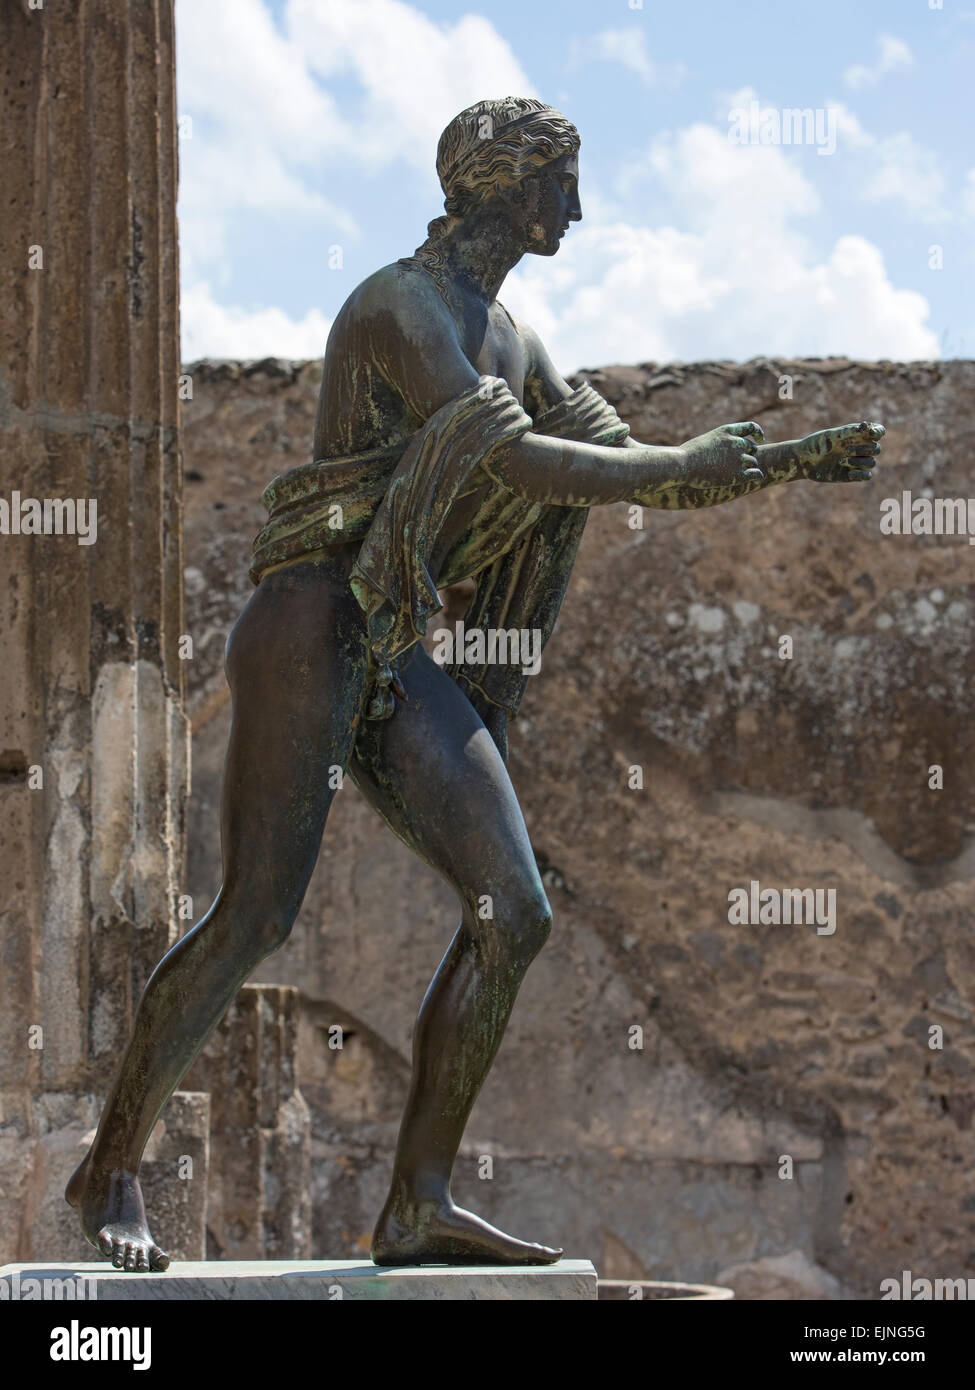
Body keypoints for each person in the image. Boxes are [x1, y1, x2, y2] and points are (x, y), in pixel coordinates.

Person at [68, 97, 884, 1271]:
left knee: (516, 909)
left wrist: (778, 464)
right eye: (561, 182)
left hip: (389, 639)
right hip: (309, 621)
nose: (579, 209)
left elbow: (604, 454)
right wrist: (675, 464)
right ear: (501, 179)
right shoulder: (402, 305)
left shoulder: (516, 335)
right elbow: (512, 454)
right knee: (259, 914)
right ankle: (109, 1172)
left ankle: (418, 1203)